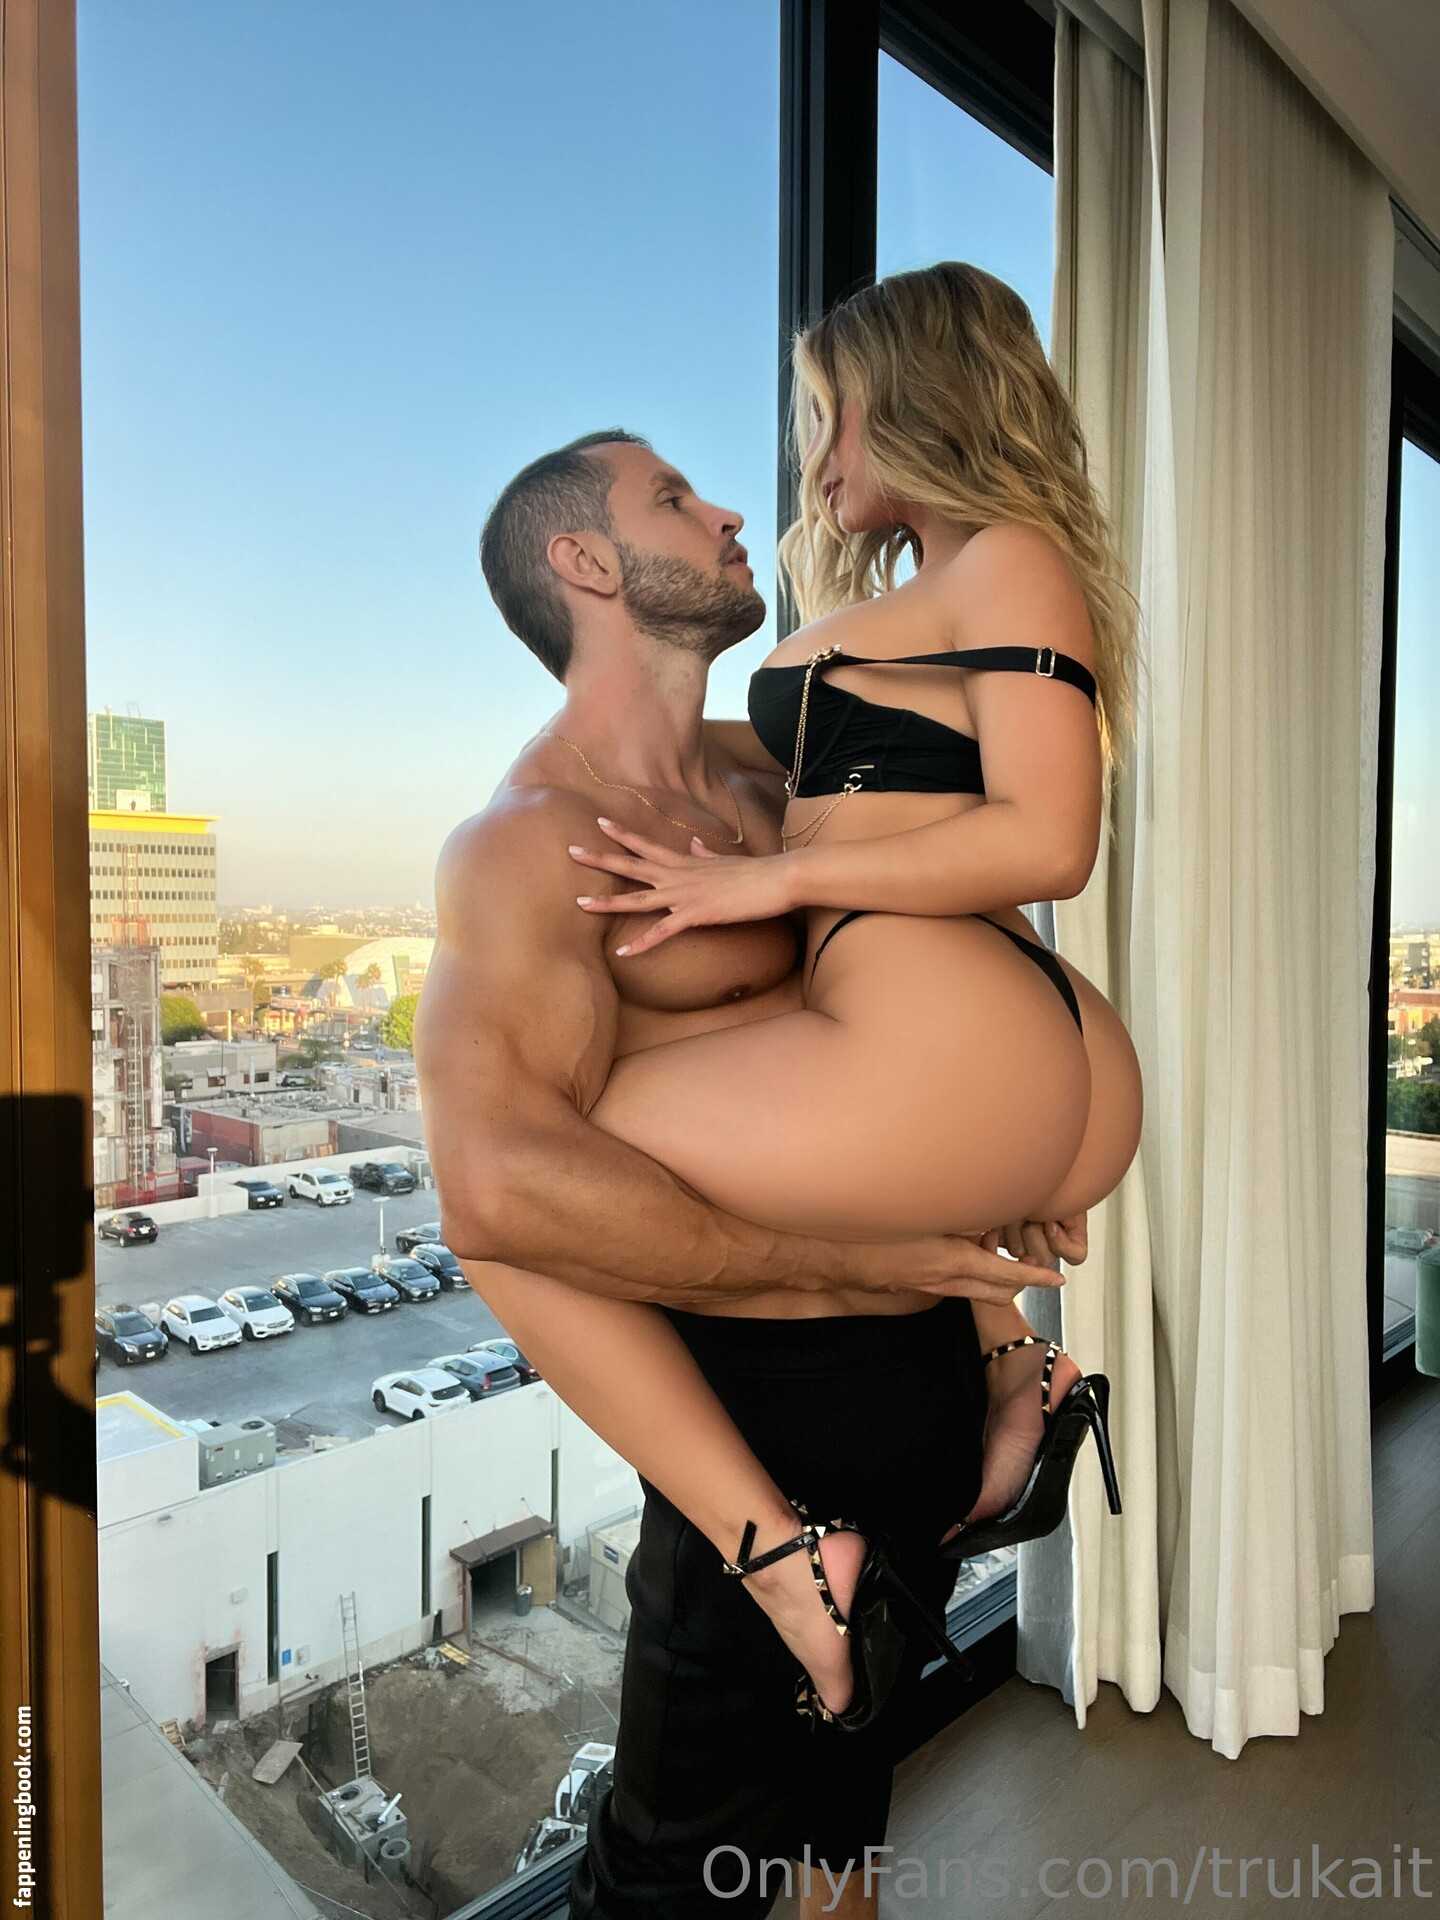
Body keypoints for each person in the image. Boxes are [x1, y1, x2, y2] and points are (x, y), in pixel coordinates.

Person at [415, 260, 1143, 1915]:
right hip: (769, 1415)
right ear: (588, 564)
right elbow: (501, 1188)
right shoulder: (529, 847)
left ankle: (885, 1483)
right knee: (701, 1869)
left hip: (914, 1377)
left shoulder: (782, 774)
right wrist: (880, 1256)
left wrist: (977, 1235)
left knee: (822, 1843)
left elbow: (965, 907)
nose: (740, 503)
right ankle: (806, 1534)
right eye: (676, 496)